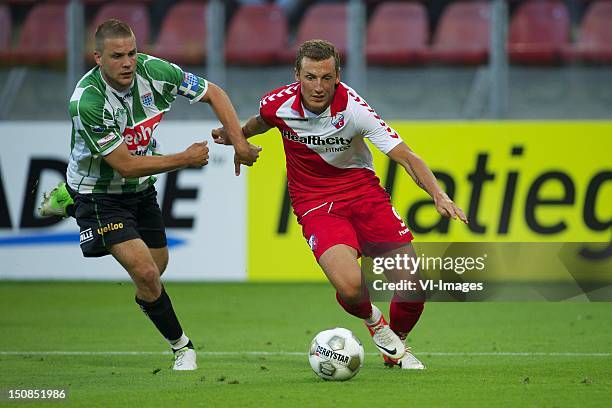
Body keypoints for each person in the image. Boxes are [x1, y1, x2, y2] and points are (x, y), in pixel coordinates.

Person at [212, 40, 467, 369]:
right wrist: (237, 136)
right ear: (297, 76)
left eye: (326, 77)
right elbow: (260, 122)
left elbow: (406, 157)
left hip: (365, 196)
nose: (318, 87)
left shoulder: (355, 111)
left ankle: (396, 345)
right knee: (350, 287)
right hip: (315, 202)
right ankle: (377, 325)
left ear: (337, 76)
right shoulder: (278, 104)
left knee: (412, 290)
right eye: (310, 77)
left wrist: (438, 194)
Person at [38, 19, 261, 370]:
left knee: (156, 270)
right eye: (117, 56)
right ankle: (182, 347)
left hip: (140, 192)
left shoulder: (155, 71)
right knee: (144, 272)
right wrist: (184, 159)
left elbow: (214, 93)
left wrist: (240, 142)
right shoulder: (88, 101)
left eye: (131, 53)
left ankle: (65, 199)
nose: (127, 62)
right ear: (98, 58)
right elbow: (125, 165)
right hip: (100, 194)